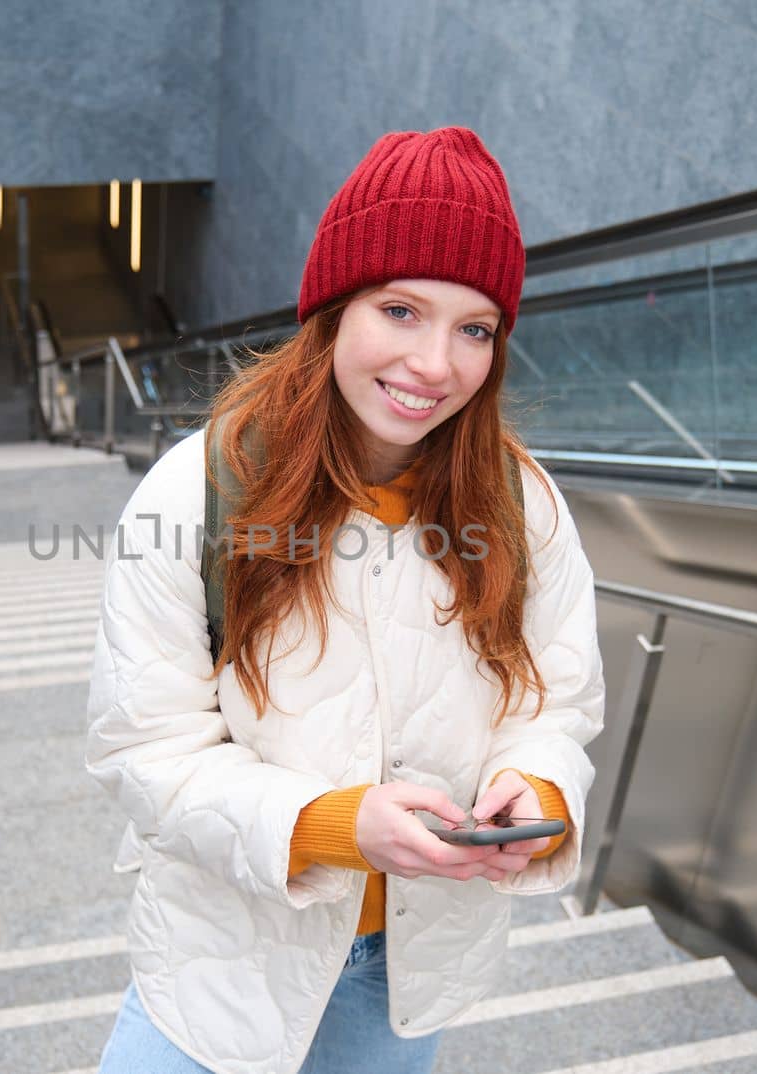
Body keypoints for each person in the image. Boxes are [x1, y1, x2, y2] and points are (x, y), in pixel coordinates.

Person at [85, 126, 606, 1074]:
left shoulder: (523, 505)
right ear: (332, 310)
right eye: (401, 310)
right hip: (221, 961)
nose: (435, 364)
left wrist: (535, 794)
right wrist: (332, 827)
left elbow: (556, 706)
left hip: (406, 973)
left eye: (473, 328)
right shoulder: (192, 495)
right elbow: (143, 752)